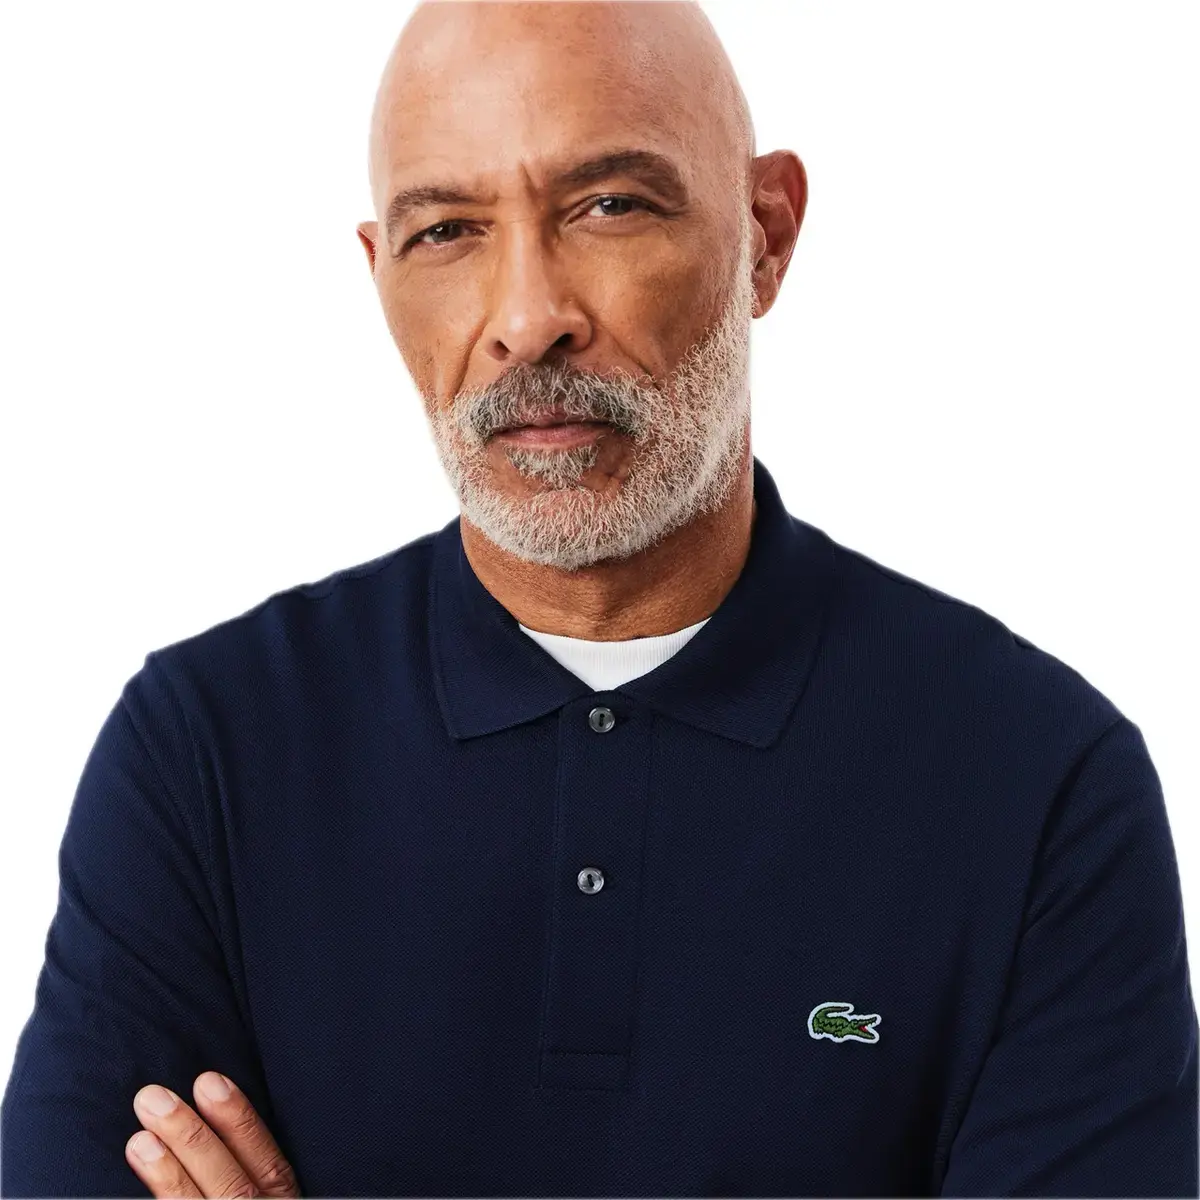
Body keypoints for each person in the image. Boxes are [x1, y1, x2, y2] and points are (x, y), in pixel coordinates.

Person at [3, 1, 1196, 1196]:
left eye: (609, 206)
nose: (529, 322)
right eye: (446, 232)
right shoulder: (204, 751)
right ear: (381, 278)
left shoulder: (1038, 781)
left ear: (766, 235)